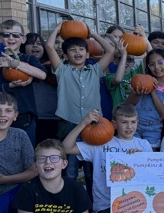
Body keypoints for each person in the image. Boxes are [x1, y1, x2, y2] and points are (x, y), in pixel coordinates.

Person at [62, 105, 152, 213]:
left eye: (133, 122)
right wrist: (83, 123)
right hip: (106, 204)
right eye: (124, 122)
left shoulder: (144, 145)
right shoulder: (100, 143)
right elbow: (66, 147)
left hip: (135, 203)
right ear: (114, 124)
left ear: (138, 122)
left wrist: (141, 159)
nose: (129, 126)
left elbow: (151, 176)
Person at [45, 21, 115, 180]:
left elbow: (110, 50)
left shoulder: (95, 70)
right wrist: (58, 29)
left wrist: (93, 33)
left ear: (88, 54)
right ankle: (71, 202)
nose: (77, 52)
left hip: (93, 125)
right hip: (69, 124)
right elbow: (49, 47)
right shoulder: (62, 70)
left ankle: (91, 201)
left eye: (81, 49)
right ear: (65, 55)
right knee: (70, 169)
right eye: (72, 50)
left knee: (93, 169)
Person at [0, 19, 47, 146]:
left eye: (15, 35)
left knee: (26, 157)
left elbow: (42, 74)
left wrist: (15, 64)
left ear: (23, 39)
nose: (11, 38)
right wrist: (8, 86)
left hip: (25, 119)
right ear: (0, 38)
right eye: (6, 35)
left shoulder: (29, 59)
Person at [125, 49, 164, 149]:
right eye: (152, 64)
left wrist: (153, 93)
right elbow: (127, 106)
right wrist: (136, 94)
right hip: (134, 126)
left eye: (160, 62)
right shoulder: (141, 81)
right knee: (131, 153)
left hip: (153, 129)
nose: (157, 67)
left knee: (150, 156)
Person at [20, 33, 59, 145]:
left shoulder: (52, 66)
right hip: (28, 117)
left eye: (39, 44)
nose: (35, 46)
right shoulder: (18, 67)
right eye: (31, 43)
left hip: (51, 116)